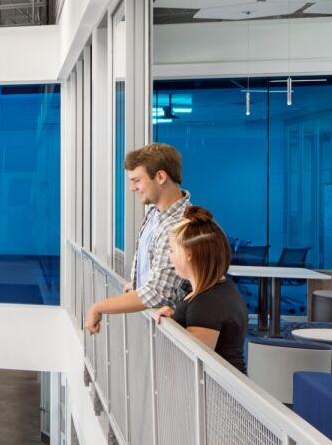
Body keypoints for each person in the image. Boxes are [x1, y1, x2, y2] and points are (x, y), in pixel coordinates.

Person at [85, 143, 192, 335]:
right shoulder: (154, 213)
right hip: (155, 326)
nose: (132, 188)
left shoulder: (179, 225)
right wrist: (137, 284)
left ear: (161, 177)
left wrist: (98, 307)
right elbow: (152, 265)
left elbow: (159, 293)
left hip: (174, 334)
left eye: (136, 180)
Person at [154, 207, 249, 373]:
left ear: (188, 254)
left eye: (172, 250)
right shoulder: (219, 290)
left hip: (218, 389)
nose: (170, 257)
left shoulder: (207, 303)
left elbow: (192, 367)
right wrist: (175, 319)